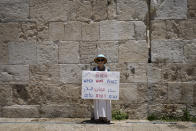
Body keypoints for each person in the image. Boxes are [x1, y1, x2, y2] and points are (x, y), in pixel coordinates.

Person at [92, 54, 111, 123]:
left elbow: (110, 79)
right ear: (97, 61)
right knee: (97, 103)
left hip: (105, 90)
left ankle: (106, 117)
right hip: (97, 90)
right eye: (99, 60)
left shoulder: (108, 70)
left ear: (104, 61)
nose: (100, 61)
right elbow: (92, 78)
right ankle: (99, 117)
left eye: (102, 60)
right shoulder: (94, 69)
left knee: (106, 103)